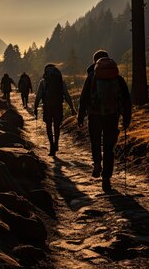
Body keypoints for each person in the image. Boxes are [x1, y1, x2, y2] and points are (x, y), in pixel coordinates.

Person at [77, 50, 131, 192]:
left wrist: (80, 116)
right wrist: (126, 118)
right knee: (108, 147)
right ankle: (106, 178)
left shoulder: (91, 76)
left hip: (94, 115)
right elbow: (126, 99)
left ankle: (97, 163)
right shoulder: (117, 77)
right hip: (112, 115)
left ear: (95, 61)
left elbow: (83, 97)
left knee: (95, 141)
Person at [34, 64, 77, 156]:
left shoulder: (43, 82)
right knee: (57, 126)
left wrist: (35, 108)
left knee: (49, 126)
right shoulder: (61, 82)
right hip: (58, 106)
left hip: (47, 107)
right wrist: (72, 108)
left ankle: (52, 146)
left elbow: (38, 97)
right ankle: (56, 143)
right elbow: (67, 96)